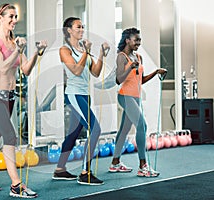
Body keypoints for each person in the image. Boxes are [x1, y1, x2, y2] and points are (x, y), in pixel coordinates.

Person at [0, 4, 47, 198]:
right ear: (0, 17)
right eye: (11, 17)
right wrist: (17, 50)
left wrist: (36, 54)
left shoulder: (15, 43)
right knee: (11, 137)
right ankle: (16, 185)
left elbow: (25, 71)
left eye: (16, 17)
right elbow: (3, 67)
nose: (14, 20)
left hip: (9, 97)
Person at [52, 17, 110, 185]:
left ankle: (60, 169)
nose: (82, 29)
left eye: (83, 26)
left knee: (73, 134)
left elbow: (96, 72)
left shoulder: (84, 50)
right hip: (74, 95)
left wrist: (100, 54)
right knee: (95, 129)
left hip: (85, 95)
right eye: (78, 27)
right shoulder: (65, 50)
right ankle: (85, 172)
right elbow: (76, 70)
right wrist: (86, 52)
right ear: (69, 30)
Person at [108, 27, 166, 177]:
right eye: (136, 40)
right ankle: (143, 166)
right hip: (125, 96)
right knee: (142, 125)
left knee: (124, 131)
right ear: (128, 40)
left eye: (139, 40)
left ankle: (115, 163)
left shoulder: (139, 57)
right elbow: (118, 79)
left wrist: (156, 73)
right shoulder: (121, 57)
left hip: (135, 97)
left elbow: (141, 79)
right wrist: (129, 68)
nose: (138, 43)